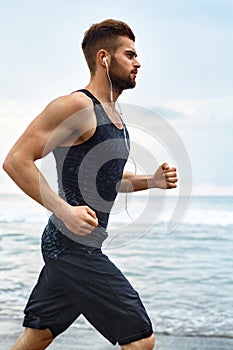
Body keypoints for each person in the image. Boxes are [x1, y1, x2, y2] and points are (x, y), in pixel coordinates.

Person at [3, 19, 178, 350]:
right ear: (104, 58)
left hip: (79, 246)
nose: (138, 63)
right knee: (141, 341)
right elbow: (16, 160)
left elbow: (107, 181)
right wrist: (65, 211)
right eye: (130, 54)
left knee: (37, 337)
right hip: (70, 247)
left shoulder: (114, 116)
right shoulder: (75, 107)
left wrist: (151, 181)